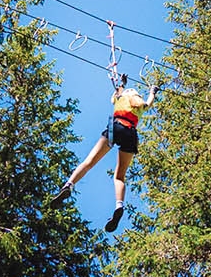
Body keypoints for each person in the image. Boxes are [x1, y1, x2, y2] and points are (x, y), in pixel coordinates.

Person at [49, 83, 155, 232]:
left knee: (89, 162)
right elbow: (149, 103)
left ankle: (69, 185)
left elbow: (115, 95)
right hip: (131, 133)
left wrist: (121, 85)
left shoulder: (121, 98)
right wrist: (152, 91)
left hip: (116, 127)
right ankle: (119, 205)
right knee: (119, 177)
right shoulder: (140, 105)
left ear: (126, 93)